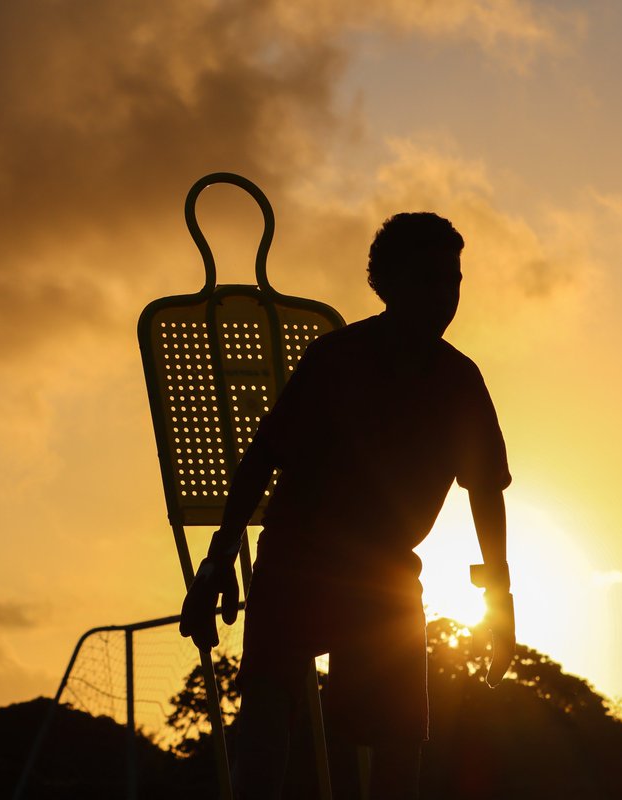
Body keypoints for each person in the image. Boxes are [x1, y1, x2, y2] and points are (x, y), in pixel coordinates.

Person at [180, 212, 515, 799]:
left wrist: (499, 598)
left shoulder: (459, 380)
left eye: (453, 280)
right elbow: (262, 460)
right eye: (428, 279)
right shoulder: (336, 358)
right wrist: (218, 559)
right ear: (388, 284)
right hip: (299, 555)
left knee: (400, 731)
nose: (444, 295)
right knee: (269, 704)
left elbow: (485, 490)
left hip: (383, 568)